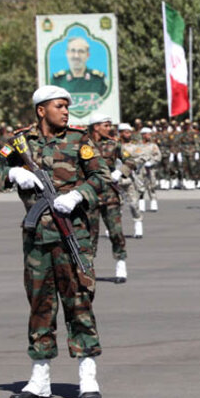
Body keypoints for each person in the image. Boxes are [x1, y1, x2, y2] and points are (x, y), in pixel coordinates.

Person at [0, 85, 110, 398]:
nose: (66, 111)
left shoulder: (79, 140)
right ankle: (40, 379)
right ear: (41, 110)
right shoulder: (20, 141)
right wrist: (13, 174)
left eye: (67, 106)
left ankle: (87, 376)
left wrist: (78, 195)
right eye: (59, 106)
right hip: (38, 239)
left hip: (72, 236)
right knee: (40, 307)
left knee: (79, 304)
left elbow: (101, 178)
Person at [86, 113, 128, 284]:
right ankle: (88, 268)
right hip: (89, 196)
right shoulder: (82, 145)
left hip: (110, 195)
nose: (109, 128)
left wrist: (121, 171)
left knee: (116, 231)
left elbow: (131, 160)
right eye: (106, 125)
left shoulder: (113, 144)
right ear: (96, 127)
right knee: (89, 234)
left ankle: (121, 264)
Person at [115, 123, 144, 238]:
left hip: (128, 179)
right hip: (115, 180)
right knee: (116, 205)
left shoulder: (134, 147)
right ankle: (114, 228)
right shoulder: (114, 145)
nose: (128, 134)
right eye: (125, 132)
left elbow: (141, 157)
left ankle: (138, 225)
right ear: (120, 133)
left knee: (133, 204)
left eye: (129, 132)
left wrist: (131, 165)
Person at [127, 127, 160, 213]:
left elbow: (158, 156)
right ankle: (141, 204)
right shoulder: (137, 146)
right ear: (143, 135)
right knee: (140, 186)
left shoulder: (153, 146)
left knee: (151, 186)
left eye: (150, 134)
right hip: (140, 169)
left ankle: (153, 202)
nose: (150, 136)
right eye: (148, 134)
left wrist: (152, 162)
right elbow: (133, 156)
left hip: (150, 169)